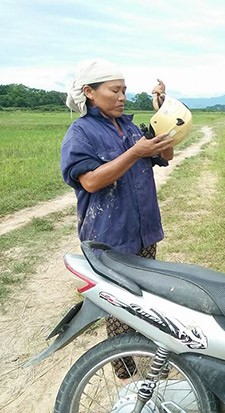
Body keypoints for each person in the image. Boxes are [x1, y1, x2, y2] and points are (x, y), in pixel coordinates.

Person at [60, 59, 175, 378]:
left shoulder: (130, 127)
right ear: (90, 93)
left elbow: (165, 156)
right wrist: (135, 153)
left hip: (144, 230)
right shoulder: (80, 132)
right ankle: (123, 366)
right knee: (119, 305)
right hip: (109, 235)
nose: (122, 96)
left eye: (124, 90)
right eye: (115, 90)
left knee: (148, 299)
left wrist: (163, 116)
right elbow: (91, 182)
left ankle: (153, 358)